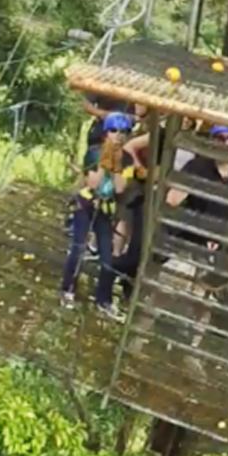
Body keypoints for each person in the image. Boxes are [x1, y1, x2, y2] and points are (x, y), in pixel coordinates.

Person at [60, 112, 144, 311]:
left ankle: (103, 299)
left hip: (106, 208)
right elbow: (93, 183)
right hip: (87, 204)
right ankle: (67, 289)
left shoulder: (128, 161)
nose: (119, 135)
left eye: (124, 132)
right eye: (114, 131)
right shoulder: (94, 152)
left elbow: (120, 188)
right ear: (106, 133)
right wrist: (103, 162)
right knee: (79, 248)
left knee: (107, 257)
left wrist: (115, 166)